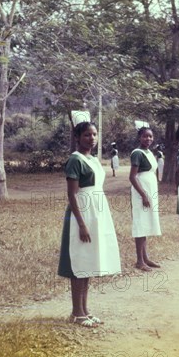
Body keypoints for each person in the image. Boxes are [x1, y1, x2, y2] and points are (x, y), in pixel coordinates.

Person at [58, 112, 121, 327]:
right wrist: (82, 224)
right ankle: (76, 312)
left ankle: (85, 309)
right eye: (86, 135)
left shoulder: (93, 159)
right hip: (82, 215)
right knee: (80, 262)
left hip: (97, 212)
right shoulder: (75, 160)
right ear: (77, 137)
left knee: (89, 262)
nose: (91, 138)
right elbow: (72, 195)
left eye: (94, 134)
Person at [129, 123, 162, 271]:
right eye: (145, 136)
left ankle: (146, 257)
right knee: (141, 223)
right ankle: (139, 260)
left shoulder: (149, 152)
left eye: (150, 136)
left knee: (147, 222)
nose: (148, 138)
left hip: (150, 189)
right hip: (141, 191)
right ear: (139, 137)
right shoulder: (137, 153)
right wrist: (143, 195)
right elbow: (132, 177)